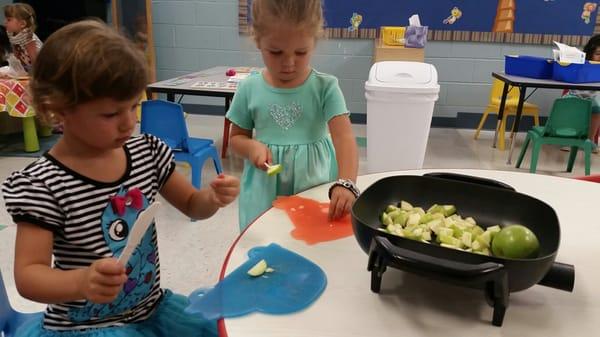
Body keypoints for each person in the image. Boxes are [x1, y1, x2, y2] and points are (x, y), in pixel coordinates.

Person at [1, 20, 240, 337]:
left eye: (133, 106)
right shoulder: (42, 185)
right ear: (57, 108)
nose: (129, 123)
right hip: (83, 327)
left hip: (150, 312)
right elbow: (28, 276)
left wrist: (212, 197)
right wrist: (81, 281)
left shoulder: (147, 152)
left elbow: (193, 205)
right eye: (111, 114)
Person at [226, 0, 359, 231]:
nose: (288, 63)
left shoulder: (325, 87)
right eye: (276, 52)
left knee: (312, 238)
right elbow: (235, 138)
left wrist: (347, 184)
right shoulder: (249, 88)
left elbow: (344, 138)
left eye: (301, 52)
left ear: (314, 42)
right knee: (266, 243)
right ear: (258, 41)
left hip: (314, 184)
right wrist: (251, 148)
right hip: (263, 189)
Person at [563, 34, 600, 153]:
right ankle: (569, 140)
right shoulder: (582, 64)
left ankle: (589, 140)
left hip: (592, 98)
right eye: (598, 54)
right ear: (590, 53)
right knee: (571, 107)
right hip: (575, 96)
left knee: (597, 108)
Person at [3, 3, 42, 74]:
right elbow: (15, 49)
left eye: (9, 20)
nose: (5, 22)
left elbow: (34, 59)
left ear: (22, 24)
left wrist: (35, 74)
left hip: (39, 67)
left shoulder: (28, 37)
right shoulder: (11, 33)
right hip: (26, 65)